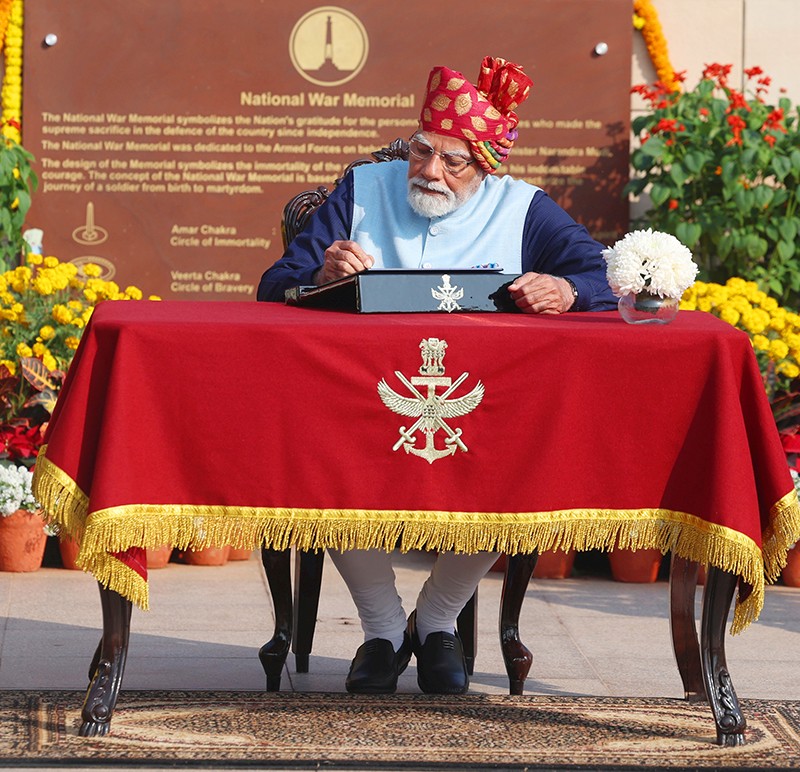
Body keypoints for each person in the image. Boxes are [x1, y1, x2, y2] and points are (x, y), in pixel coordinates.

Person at [257, 56, 617, 696]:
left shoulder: (525, 209)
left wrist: (564, 287)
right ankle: (383, 627)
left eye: (454, 162)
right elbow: (276, 285)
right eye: (423, 152)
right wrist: (319, 276)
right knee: (322, 450)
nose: (428, 172)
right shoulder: (363, 189)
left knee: (520, 458)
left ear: (486, 165)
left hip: (477, 414)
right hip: (363, 408)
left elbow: (597, 277)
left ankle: (439, 619)